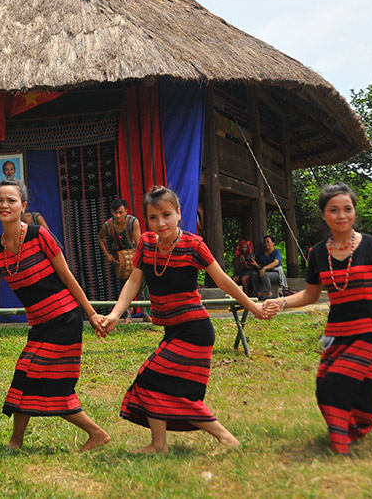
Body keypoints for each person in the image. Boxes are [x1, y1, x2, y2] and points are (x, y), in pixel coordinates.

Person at [262, 183, 372, 454]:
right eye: (334, 210)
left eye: (347, 209)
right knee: (334, 392)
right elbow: (310, 295)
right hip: (338, 333)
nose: (341, 215)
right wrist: (280, 302)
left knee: (336, 385)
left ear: (354, 211)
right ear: (323, 215)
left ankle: (341, 446)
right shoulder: (317, 253)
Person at [99, 186, 267, 454]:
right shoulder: (147, 244)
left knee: (155, 381)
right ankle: (159, 445)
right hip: (172, 330)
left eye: (166, 215)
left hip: (195, 331)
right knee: (156, 385)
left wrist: (253, 306)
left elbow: (223, 280)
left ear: (178, 213)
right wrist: (115, 314)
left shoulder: (193, 245)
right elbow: (133, 281)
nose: (160, 223)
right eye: (153, 217)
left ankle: (226, 438)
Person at [0, 179, 111, 452]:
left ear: (23, 206)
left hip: (64, 317)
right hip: (39, 323)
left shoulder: (40, 235)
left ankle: (95, 433)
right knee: (25, 377)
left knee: (42, 379)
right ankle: (17, 441)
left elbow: (68, 277)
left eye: (11, 200)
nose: (4, 205)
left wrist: (91, 314)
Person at [98, 198, 149, 323]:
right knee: (124, 288)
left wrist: (138, 258)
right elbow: (100, 237)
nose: (118, 215)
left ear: (126, 211)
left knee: (141, 286)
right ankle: (127, 316)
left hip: (134, 256)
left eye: (121, 212)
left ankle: (146, 314)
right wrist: (107, 254)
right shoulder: (108, 225)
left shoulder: (133, 222)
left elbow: (138, 243)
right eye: (115, 212)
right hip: (119, 260)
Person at [253, 235, 286, 300]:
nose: (266, 244)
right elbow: (261, 266)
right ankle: (259, 294)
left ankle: (270, 294)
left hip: (276, 273)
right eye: (265, 242)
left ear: (273, 243)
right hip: (265, 272)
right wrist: (256, 264)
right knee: (253, 274)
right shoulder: (262, 253)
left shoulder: (276, 252)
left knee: (265, 274)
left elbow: (275, 262)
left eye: (268, 242)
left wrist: (264, 268)